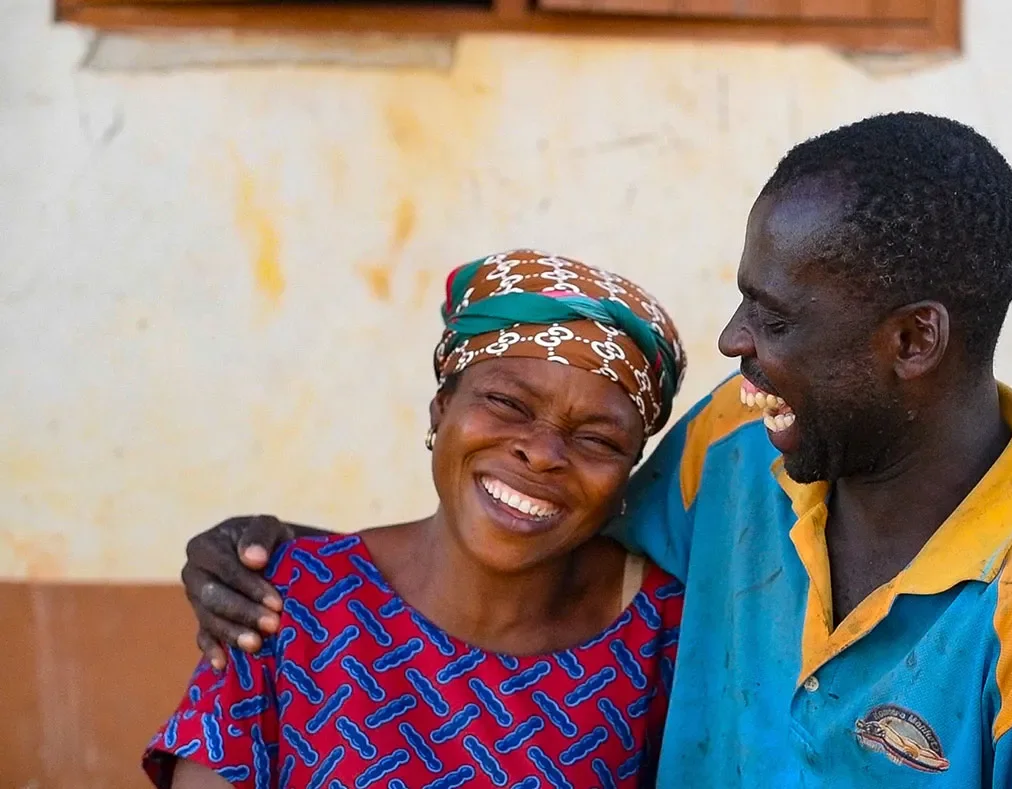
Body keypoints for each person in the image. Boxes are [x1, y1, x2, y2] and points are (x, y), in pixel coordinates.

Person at [177, 113, 1012, 786]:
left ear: (912, 341)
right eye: (744, 296)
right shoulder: (737, 444)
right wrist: (278, 559)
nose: (734, 343)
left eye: (776, 316)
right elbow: (540, 522)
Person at [143, 250, 688, 788]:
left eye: (597, 439)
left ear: (627, 476)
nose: (542, 452)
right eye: (507, 403)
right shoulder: (284, 605)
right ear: (440, 409)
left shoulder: (666, 637)